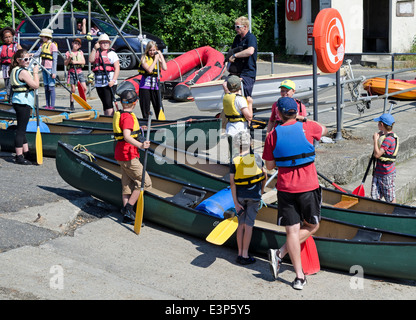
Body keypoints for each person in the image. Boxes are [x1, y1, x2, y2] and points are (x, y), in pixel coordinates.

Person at [262, 97, 327, 290]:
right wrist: (303, 119)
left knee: (292, 231)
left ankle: (298, 275)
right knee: (313, 225)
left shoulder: (272, 135)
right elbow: (324, 130)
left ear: (279, 114)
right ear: (296, 112)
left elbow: (270, 165)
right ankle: (280, 254)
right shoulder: (308, 127)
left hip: (285, 189)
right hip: (308, 187)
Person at [113, 89, 152, 224]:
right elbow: (126, 136)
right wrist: (141, 145)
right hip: (128, 155)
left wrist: (139, 129)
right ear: (135, 103)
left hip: (121, 154)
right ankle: (128, 209)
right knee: (145, 182)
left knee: (127, 184)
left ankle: (126, 216)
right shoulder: (128, 117)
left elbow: (128, 131)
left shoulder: (122, 114)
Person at [230, 131, 266, 265]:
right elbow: (264, 176)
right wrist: (261, 193)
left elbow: (232, 183)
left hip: (240, 197)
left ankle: (239, 253)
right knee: (249, 225)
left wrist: (235, 202)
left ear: (235, 145)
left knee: (241, 224)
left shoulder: (234, 160)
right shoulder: (256, 158)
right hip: (254, 197)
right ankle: (245, 255)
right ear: (250, 143)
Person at [9, 49, 39, 165]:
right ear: (18, 60)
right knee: (21, 130)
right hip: (23, 103)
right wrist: (35, 72)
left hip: (19, 101)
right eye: (25, 59)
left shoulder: (14, 69)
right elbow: (35, 85)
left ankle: (26, 153)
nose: (28, 61)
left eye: (29, 59)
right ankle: (19, 156)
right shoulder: (23, 72)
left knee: (22, 128)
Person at [223, 16, 257, 99]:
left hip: (247, 72)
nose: (235, 29)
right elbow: (232, 51)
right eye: (235, 27)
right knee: (225, 85)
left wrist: (235, 55)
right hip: (236, 72)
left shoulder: (251, 38)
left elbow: (250, 51)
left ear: (245, 27)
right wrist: (228, 62)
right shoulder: (237, 38)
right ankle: (232, 106)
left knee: (244, 95)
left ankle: (245, 109)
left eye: (237, 27)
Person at [89, 33, 120, 116]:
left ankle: (110, 120)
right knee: (104, 103)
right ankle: (107, 117)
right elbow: (91, 60)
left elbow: (117, 68)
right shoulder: (96, 52)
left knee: (108, 103)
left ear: (109, 44)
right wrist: (94, 49)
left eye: (107, 42)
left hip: (109, 82)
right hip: (99, 83)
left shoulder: (112, 54)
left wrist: (113, 81)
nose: (105, 44)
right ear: (99, 44)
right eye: (103, 42)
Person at [371, 113, 398, 203]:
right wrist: (378, 136)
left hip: (386, 173)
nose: (377, 124)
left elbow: (377, 155)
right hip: (379, 171)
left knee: (390, 197)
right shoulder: (385, 135)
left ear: (381, 125)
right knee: (375, 195)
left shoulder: (388, 139)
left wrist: (375, 140)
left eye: (378, 123)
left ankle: (394, 213)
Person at [223, 75, 253, 157]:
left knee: (233, 153)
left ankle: (232, 169)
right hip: (239, 130)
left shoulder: (226, 97)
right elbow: (249, 116)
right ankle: (242, 168)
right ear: (240, 86)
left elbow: (225, 86)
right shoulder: (240, 99)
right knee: (243, 153)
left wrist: (234, 82)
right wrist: (250, 103)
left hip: (230, 128)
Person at [138, 41, 167, 119]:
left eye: (154, 50)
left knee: (158, 106)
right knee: (145, 108)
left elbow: (165, 68)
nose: (152, 52)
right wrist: (155, 60)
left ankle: (160, 122)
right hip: (145, 86)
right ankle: (146, 122)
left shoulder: (158, 57)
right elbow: (149, 70)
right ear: (147, 50)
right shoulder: (144, 58)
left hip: (155, 86)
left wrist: (160, 55)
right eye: (150, 50)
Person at [32, 28, 57, 109]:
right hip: (43, 68)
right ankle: (47, 104)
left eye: (43, 36)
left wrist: (54, 72)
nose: (42, 38)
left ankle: (52, 106)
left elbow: (55, 59)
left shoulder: (53, 45)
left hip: (50, 69)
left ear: (47, 36)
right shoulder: (42, 45)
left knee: (51, 87)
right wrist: (30, 54)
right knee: (46, 87)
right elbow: (38, 53)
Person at [64, 38, 87, 110]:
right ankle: (72, 103)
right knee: (73, 89)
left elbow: (83, 62)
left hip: (79, 72)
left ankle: (83, 101)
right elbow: (65, 63)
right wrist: (69, 59)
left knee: (85, 88)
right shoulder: (68, 53)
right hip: (72, 72)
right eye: (75, 43)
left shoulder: (80, 52)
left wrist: (76, 62)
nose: (76, 45)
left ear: (80, 46)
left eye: (78, 44)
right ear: (72, 43)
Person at [0, 27, 22, 102]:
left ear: (12, 37)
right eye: (6, 37)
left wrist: (20, 49)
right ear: (3, 39)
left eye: (9, 37)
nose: (8, 39)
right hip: (5, 69)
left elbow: (22, 54)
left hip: (13, 68)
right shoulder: (1, 48)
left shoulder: (16, 46)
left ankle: (13, 100)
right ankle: (9, 100)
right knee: (7, 86)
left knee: (12, 85)